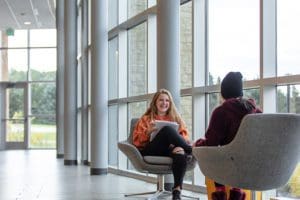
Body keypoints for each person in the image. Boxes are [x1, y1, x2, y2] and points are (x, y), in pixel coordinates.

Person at [193, 72, 262, 200]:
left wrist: (196, 144)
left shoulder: (222, 112)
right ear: (241, 92)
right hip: (256, 164)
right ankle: (236, 191)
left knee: (213, 155)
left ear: (223, 93)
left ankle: (221, 193)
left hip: (233, 165)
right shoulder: (257, 112)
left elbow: (211, 144)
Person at [133, 88, 192, 200]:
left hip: (168, 150)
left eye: (167, 101)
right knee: (167, 130)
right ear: (155, 102)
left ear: (170, 103)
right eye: (161, 100)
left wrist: (177, 145)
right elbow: (136, 141)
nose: (164, 103)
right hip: (150, 149)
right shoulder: (146, 119)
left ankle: (177, 191)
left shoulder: (175, 118)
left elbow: (184, 136)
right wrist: (148, 132)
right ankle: (191, 150)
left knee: (180, 152)